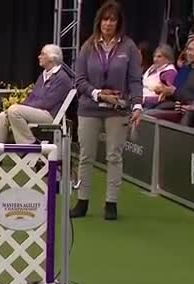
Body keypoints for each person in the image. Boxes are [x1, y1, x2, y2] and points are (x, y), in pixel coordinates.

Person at [71, 1, 143, 221]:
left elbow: (135, 79)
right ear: (99, 22)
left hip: (117, 109)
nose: (108, 24)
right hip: (89, 108)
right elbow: (79, 80)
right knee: (86, 156)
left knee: (114, 156)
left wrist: (138, 104)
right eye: (105, 19)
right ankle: (82, 201)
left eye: (112, 19)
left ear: (118, 23)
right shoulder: (88, 46)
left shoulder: (128, 47)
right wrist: (98, 94)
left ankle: (111, 202)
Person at [0, 44, 73, 144]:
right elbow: (32, 97)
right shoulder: (43, 75)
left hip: (50, 115)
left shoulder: (62, 78)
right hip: (37, 111)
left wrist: (20, 107)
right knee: (3, 115)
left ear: (51, 58)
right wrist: (21, 106)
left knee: (14, 111)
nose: (39, 57)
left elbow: (47, 103)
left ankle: (29, 145)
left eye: (42, 54)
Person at [145, 35, 194, 123]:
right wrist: (166, 92)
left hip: (189, 114)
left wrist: (174, 92)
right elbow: (177, 91)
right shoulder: (190, 68)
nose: (191, 53)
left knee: (149, 115)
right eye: (190, 49)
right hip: (174, 106)